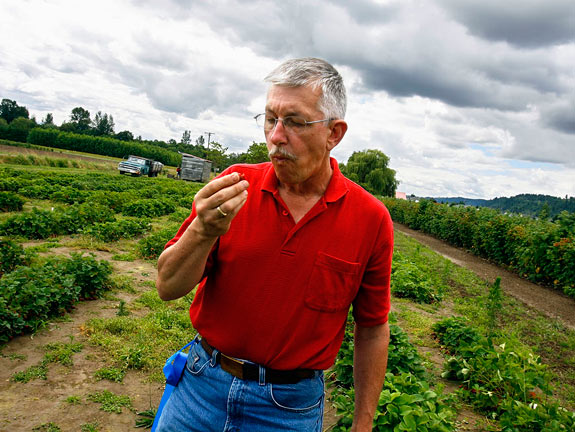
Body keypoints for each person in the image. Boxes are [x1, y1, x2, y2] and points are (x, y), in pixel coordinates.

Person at [155, 57, 393, 432]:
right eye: (270, 119)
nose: (276, 136)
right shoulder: (235, 188)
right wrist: (202, 230)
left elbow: (373, 328)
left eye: (295, 122)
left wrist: (362, 424)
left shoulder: (370, 219)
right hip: (201, 387)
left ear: (335, 133)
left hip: (288, 409)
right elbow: (167, 287)